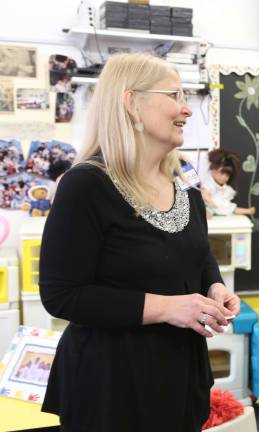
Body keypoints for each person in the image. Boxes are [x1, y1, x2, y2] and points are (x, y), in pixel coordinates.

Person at [39, 53, 241, 432]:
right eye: (174, 95)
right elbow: (61, 295)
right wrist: (167, 308)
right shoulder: (86, 186)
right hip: (111, 386)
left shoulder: (188, 193)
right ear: (132, 102)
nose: (186, 109)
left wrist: (214, 287)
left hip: (181, 378)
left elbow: (196, 261)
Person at [201, 148, 256, 216]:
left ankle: (248, 211)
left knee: (232, 208)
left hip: (222, 203)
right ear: (213, 170)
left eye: (227, 175)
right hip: (212, 204)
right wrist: (210, 201)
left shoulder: (224, 186)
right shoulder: (209, 184)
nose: (224, 178)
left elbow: (227, 193)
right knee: (207, 209)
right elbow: (204, 193)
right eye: (222, 173)